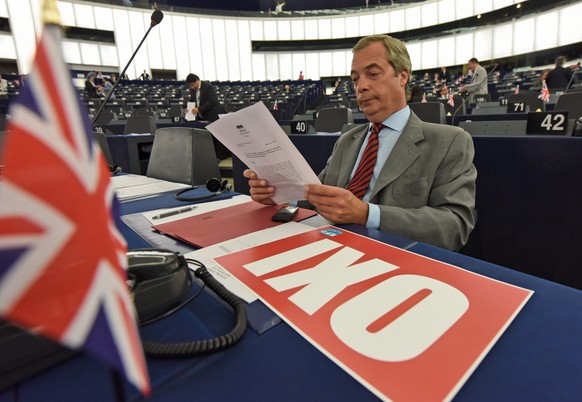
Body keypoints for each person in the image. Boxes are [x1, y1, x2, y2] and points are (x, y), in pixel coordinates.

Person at [244, 34, 476, 251]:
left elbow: (454, 225)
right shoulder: (347, 140)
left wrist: (366, 214)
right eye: (355, 79)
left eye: (373, 74)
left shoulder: (449, 141)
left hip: (392, 261)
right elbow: (319, 197)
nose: (361, 86)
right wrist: (279, 195)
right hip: (327, 247)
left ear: (402, 76)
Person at [185, 73, 229, 159]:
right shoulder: (193, 90)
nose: (192, 87)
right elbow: (191, 101)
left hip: (213, 114)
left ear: (197, 80)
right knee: (208, 138)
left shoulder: (208, 87)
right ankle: (212, 156)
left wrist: (199, 109)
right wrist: (188, 108)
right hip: (203, 116)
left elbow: (213, 101)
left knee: (216, 137)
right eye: (190, 86)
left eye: (192, 85)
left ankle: (220, 156)